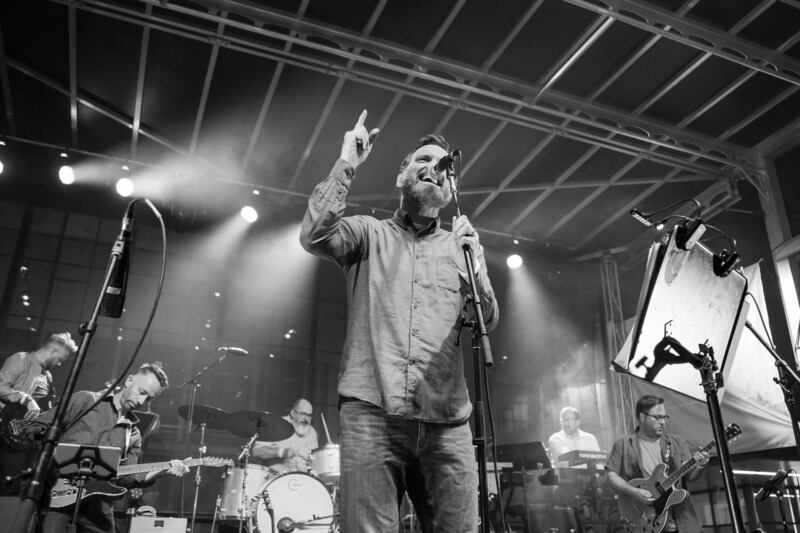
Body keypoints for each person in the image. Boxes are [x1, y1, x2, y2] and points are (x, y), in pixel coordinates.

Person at [300, 110, 499, 532]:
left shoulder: (460, 248)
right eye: (422, 161)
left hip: (447, 420)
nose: (434, 169)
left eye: (444, 166)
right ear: (401, 177)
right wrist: (346, 164)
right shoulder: (368, 233)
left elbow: (488, 319)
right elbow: (314, 234)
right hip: (373, 413)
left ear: (451, 188)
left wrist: (477, 273)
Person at [36, 361, 189, 533]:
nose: (142, 401)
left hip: (98, 509)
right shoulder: (86, 401)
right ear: (129, 381)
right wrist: (52, 458)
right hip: (60, 500)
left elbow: (126, 477)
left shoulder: (134, 434)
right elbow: (37, 426)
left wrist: (163, 471)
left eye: (149, 398)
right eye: (141, 392)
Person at [0, 332, 78, 519]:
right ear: (52, 350)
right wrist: (24, 398)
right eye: (60, 359)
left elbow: (47, 410)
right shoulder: (21, 359)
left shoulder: (47, 376)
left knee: (24, 488)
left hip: (27, 440)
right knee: (8, 488)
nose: (59, 364)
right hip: (8, 435)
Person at [605, 395, 710, 533]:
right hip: (645, 516)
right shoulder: (623, 444)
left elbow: (690, 475)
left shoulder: (676, 442)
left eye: (664, 417)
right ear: (642, 417)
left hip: (680, 517)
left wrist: (701, 465)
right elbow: (610, 475)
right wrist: (634, 491)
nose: (662, 422)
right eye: (657, 417)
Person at [251, 398, 319, 473]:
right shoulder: (277, 424)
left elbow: (315, 461)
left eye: (309, 415)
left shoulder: (312, 431)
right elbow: (257, 451)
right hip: (277, 476)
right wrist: (285, 452)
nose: (306, 419)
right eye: (303, 414)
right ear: (293, 412)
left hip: (303, 478)